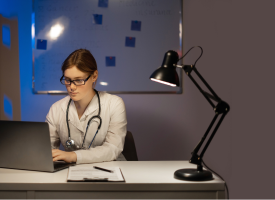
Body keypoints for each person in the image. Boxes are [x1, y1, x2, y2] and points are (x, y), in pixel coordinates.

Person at [46, 49, 127, 164]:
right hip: (71, 171)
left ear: (94, 76)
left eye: (78, 80)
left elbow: (113, 148)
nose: (72, 87)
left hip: (111, 170)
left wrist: (74, 156)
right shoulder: (56, 108)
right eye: (68, 80)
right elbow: (47, 150)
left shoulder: (114, 104)